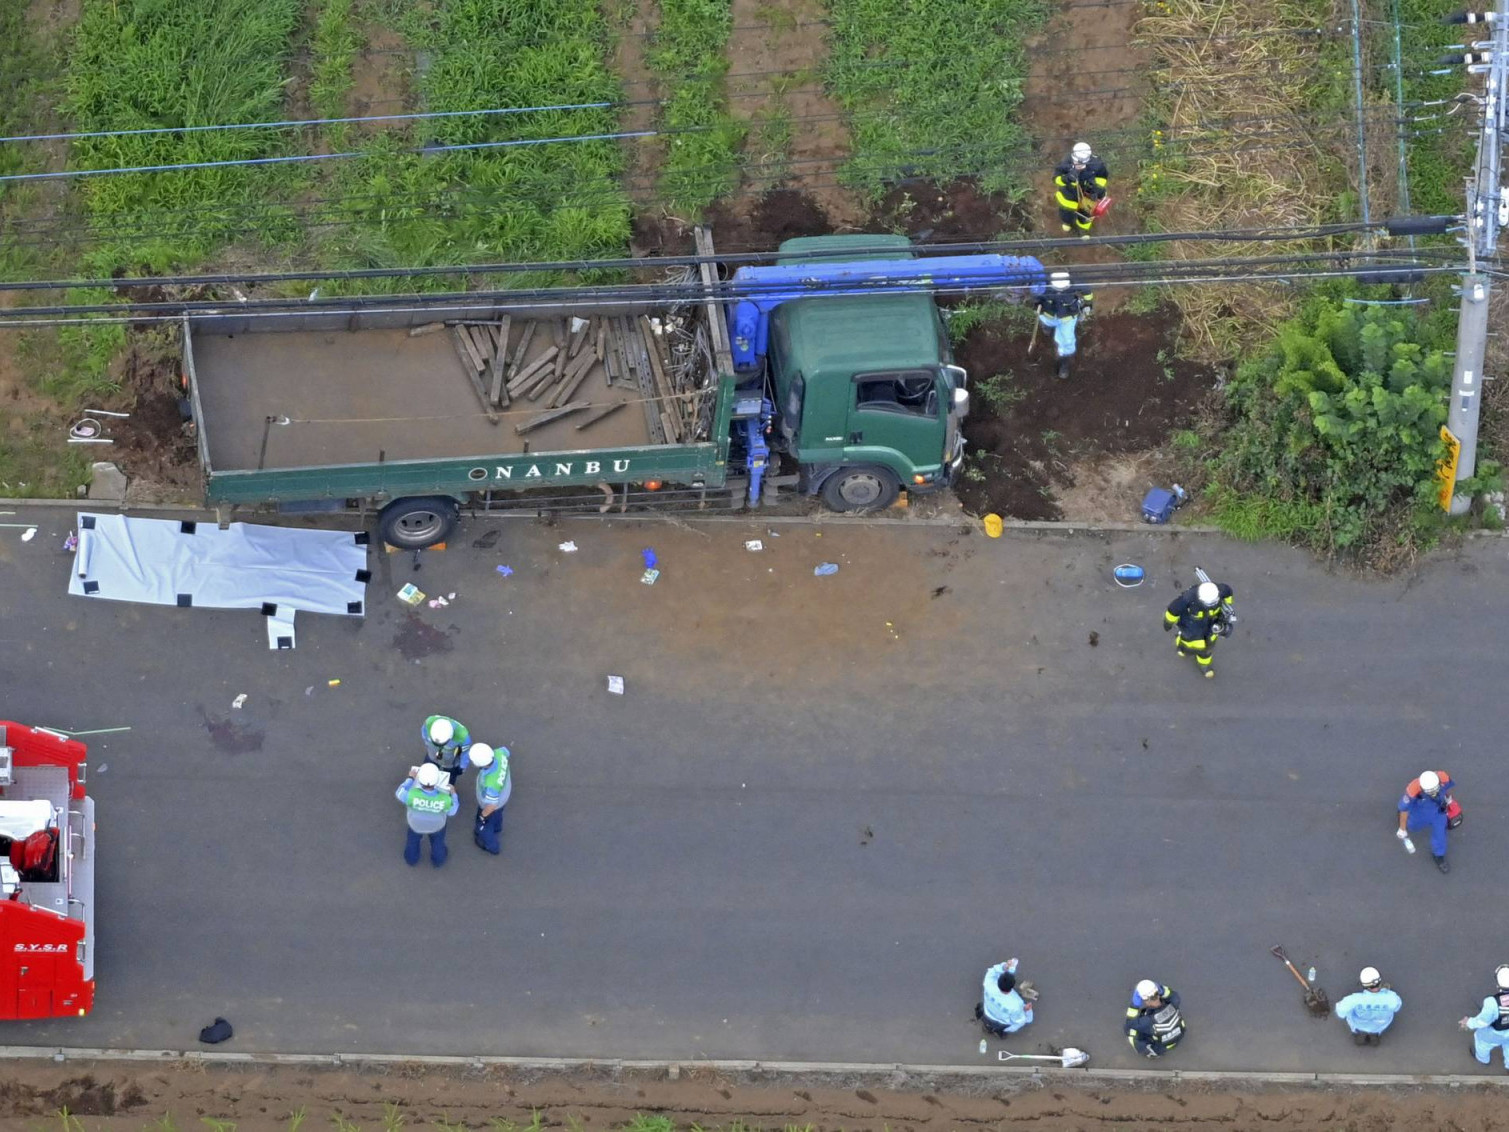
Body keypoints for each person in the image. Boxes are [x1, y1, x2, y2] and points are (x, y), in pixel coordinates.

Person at [1164, 578, 1235, 678]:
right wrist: (1168, 623)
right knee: (1187, 643)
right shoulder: (1188, 598)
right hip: (1190, 628)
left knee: (1207, 650)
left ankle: (1204, 665)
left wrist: (1228, 606)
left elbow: (1228, 591)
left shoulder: (1220, 591)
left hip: (1210, 628)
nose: (1211, 605)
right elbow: (1173, 610)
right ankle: (1182, 648)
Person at [395, 762, 458, 868]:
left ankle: (411, 859)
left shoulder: (411, 795)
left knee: (412, 842)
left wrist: (410, 778)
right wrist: (454, 794)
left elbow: (399, 792)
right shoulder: (445, 799)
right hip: (437, 826)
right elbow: (452, 811)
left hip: (415, 824)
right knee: (438, 843)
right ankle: (438, 860)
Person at [1397, 769, 1457, 874]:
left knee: (1440, 833)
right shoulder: (1412, 790)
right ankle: (1404, 822)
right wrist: (1402, 829)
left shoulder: (1444, 777)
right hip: (1419, 814)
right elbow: (1404, 809)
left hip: (1438, 812)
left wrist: (1448, 799)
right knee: (1412, 827)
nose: (1434, 793)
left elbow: (1446, 788)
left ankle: (1439, 855)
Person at [1033, 273, 1093, 379]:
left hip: (1067, 317)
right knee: (1046, 322)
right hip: (1048, 314)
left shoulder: (1075, 283)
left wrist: (1088, 304)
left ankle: (1064, 361)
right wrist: (1037, 304)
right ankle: (1047, 327)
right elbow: (1035, 296)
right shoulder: (1043, 286)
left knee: (1067, 340)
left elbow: (1087, 291)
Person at [464, 742, 512, 855]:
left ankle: (492, 847)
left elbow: (491, 806)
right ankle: (497, 828)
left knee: (485, 827)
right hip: (504, 795)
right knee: (498, 816)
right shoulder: (499, 753)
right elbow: (506, 752)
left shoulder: (491, 785)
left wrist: (483, 816)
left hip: (492, 805)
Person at [1334, 967, 1403, 1045]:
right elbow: (1397, 1007)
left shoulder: (1353, 999)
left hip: (1359, 1025)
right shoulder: (1391, 998)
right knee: (1375, 1033)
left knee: (1359, 1034)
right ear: (1379, 982)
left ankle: (1360, 1040)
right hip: (1379, 1025)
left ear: (1364, 985)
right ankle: (1374, 1040)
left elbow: (1341, 1012)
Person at [1459, 964, 1509, 1070]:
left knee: (1482, 1044)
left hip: (1493, 1034)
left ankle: (1483, 1060)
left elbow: (1482, 1022)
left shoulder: (1491, 1002)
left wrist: (1468, 1022)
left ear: (1498, 985)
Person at [1053, 142, 1110, 235]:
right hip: (1069, 193)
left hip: (1088, 196)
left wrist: (1096, 189)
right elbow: (1056, 178)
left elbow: (1102, 177)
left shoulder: (1097, 164)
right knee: (1066, 210)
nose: (1078, 166)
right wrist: (1066, 178)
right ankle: (1067, 223)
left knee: (1086, 214)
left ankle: (1083, 230)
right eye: (1076, 162)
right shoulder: (1065, 162)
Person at [976, 957, 1038, 1036]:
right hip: (1000, 1023)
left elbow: (992, 971)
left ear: (998, 981)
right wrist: (1027, 1011)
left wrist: (1004, 966)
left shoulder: (989, 984)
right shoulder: (1016, 1003)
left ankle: (987, 1026)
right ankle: (998, 1032)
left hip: (986, 1012)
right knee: (1002, 1029)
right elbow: (1020, 1021)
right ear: (1012, 986)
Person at [1125, 979, 1186, 1058]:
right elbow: (1172, 994)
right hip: (1178, 1036)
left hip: (1162, 1047)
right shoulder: (1174, 1001)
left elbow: (1130, 1023)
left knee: (1130, 1031)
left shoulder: (1148, 1021)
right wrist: (1162, 989)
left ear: (1147, 1000)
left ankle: (1152, 1053)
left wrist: (1134, 1005)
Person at [421, 714, 472, 786]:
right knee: (426, 775)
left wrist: (462, 767)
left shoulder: (463, 737)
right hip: (432, 755)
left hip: (450, 762)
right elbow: (424, 736)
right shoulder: (428, 724)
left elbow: (465, 754)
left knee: (448, 783)